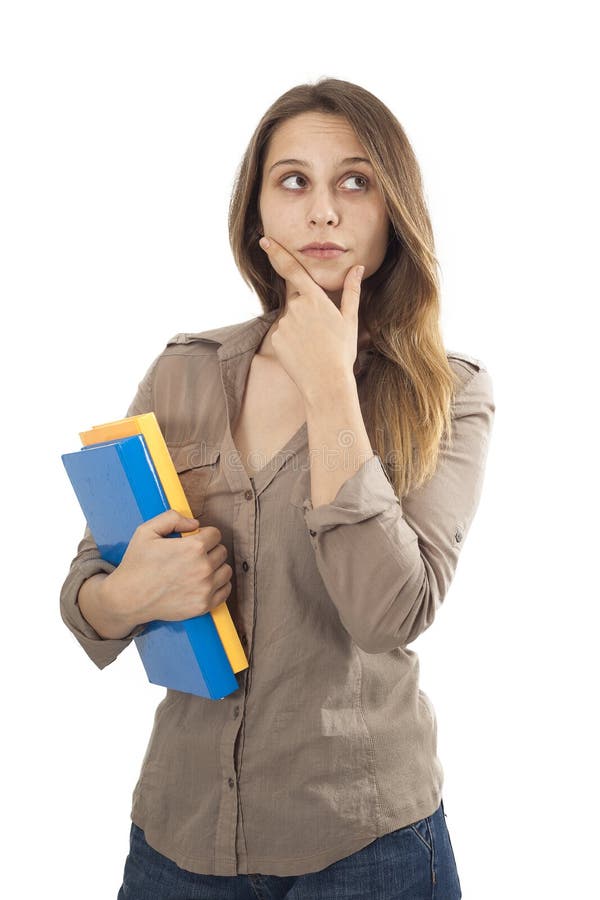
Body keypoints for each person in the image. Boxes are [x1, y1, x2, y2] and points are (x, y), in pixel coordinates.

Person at [60, 77, 494, 899]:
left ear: (392, 208)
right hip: (176, 839)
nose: (322, 210)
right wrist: (134, 594)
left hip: (368, 848)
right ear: (257, 212)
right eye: (293, 181)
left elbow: (389, 615)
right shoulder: (181, 373)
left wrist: (333, 387)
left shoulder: (451, 391)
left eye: (355, 181)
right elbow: (83, 596)